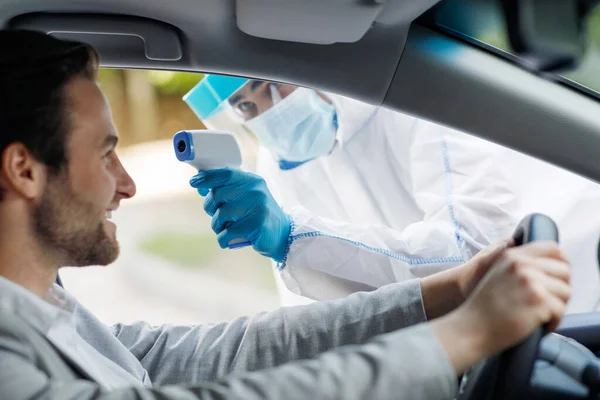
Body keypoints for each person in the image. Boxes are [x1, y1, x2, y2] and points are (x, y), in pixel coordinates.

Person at [0, 30, 571, 400]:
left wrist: (450, 290)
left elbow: (227, 352)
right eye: (105, 153)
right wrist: (464, 333)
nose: (126, 184)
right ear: (24, 171)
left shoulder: (57, 314)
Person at [184, 75, 518, 304]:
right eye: (244, 105)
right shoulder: (276, 162)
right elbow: (306, 310)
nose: (268, 113)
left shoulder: (416, 104)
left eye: (269, 85)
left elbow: (475, 252)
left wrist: (295, 239)